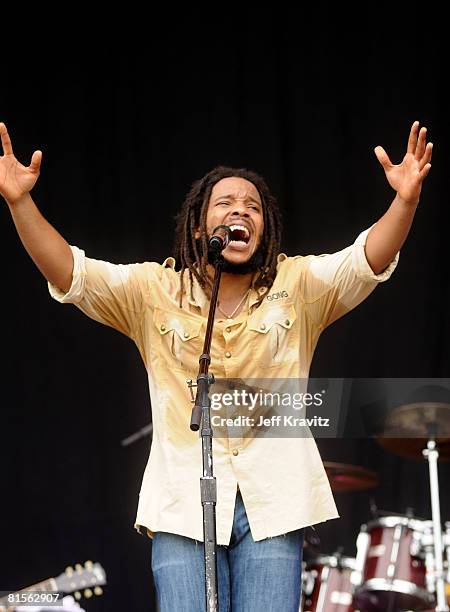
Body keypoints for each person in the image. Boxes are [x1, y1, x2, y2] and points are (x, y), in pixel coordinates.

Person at [0, 120, 432, 612]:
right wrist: (20, 203)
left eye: (253, 207)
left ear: (264, 228)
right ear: (201, 226)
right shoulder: (153, 294)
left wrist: (405, 202)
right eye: (226, 204)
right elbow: (72, 273)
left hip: (273, 504)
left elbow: (365, 261)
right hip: (183, 504)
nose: (241, 211)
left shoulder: (299, 288)